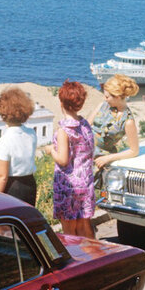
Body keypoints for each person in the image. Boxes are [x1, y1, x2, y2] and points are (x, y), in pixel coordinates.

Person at [51, 80, 96, 238]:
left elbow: (63, 160)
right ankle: (95, 259)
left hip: (69, 186)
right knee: (85, 226)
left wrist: (51, 150)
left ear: (61, 102)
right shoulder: (84, 125)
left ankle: (78, 261)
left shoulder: (64, 131)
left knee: (70, 232)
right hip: (86, 182)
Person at [0, 86, 38, 206]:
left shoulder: (4, 141)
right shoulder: (31, 133)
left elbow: (2, 176)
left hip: (13, 187)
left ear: (3, 114)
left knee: (6, 223)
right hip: (30, 184)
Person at [92, 73, 141, 172]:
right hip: (84, 150)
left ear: (117, 97)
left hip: (100, 158)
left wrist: (108, 158)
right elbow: (86, 126)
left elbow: (134, 151)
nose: (105, 99)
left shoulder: (127, 121)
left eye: (107, 97)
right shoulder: (103, 105)